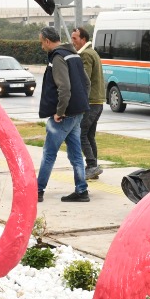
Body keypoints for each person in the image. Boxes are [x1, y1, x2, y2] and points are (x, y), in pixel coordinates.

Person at [35, 25, 90, 202]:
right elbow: (86, 82)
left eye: (42, 42)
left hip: (64, 115)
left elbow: (64, 87)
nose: (41, 46)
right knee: (75, 154)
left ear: (47, 41)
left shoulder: (58, 57)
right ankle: (81, 190)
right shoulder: (73, 54)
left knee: (49, 153)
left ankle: (38, 190)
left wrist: (60, 111)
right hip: (78, 112)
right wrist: (80, 103)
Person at [72, 25, 104, 181]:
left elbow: (84, 80)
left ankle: (91, 166)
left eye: (75, 39)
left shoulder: (85, 55)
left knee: (81, 134)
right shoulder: (93, 52)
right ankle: (94, 168)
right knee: (90, 135)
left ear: (83, 39)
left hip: (90, 102)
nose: (73, 42)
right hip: (98, 102)